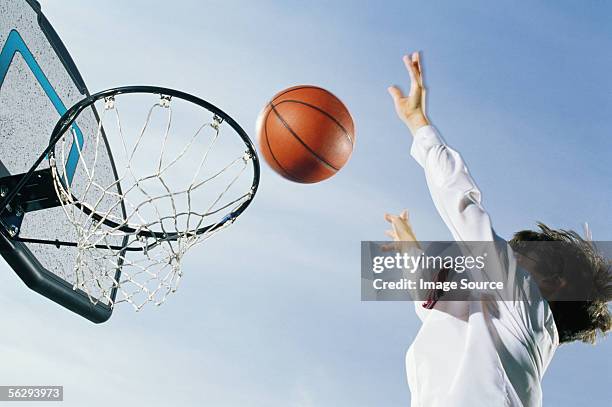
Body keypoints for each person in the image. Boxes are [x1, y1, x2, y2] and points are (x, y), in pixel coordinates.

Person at [384, 51, 611, 406]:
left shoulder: (524, 305)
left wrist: (419, 126)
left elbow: (463, 205)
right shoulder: (505, 323)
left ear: (553, 282)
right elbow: (437, 301)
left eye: (518, 255)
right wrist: (412, 252)